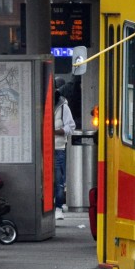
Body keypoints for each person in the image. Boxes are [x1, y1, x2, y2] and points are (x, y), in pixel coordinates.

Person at [52, 79, 76, 220]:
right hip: (43, 148)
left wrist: (56, 131)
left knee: (58, 178)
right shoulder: (40, 105)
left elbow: (70, 127)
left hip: (57, 147)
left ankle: (58, 207)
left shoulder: (63, 107)